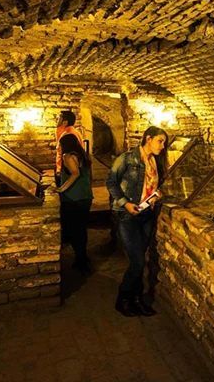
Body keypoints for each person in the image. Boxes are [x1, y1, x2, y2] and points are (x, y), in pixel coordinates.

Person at [106, 126, 168, 317]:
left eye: (164, 142)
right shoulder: (127, 158)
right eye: (160, 141)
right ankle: (123, 299)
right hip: (129, 216)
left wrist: (157, 194)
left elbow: (152, 185)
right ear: (148, 138)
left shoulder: (155, 161)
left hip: (147, 214)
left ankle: (137, 299)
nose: (162, 146)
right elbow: (111, 182)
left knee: (139, 259)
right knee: (138, 262)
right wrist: (125, 203)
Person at [55, 135, 93, 275]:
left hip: (73, 198)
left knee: (74, 230)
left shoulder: (68, 156)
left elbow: (75, 173)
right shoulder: (82, 155)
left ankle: (81, 261)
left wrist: (61, 189)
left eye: (60, 144)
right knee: (81, 229)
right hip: (85, 196)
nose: (59, 147)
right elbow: (88, 176)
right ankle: (83, 258)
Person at [55, 111, 84, 187]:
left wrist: (59, 170)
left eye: (59, 118)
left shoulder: (69, 135)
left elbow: (67, 155)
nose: (56, 120)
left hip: (68, 171)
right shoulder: (67, 132)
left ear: (65, 122)